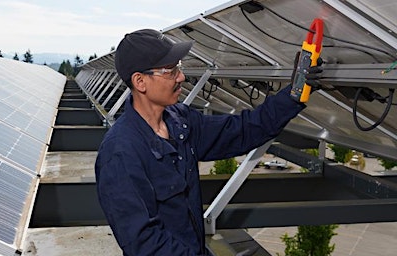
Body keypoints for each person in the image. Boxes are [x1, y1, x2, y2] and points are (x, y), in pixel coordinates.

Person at [95, 28, 322, 255]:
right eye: (171, 71)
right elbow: (145, 244)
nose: (181, 77)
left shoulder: (181, 122)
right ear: (140, 81)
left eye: (179, 68)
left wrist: (293, 94)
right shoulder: (120, 153)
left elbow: (243, 129)